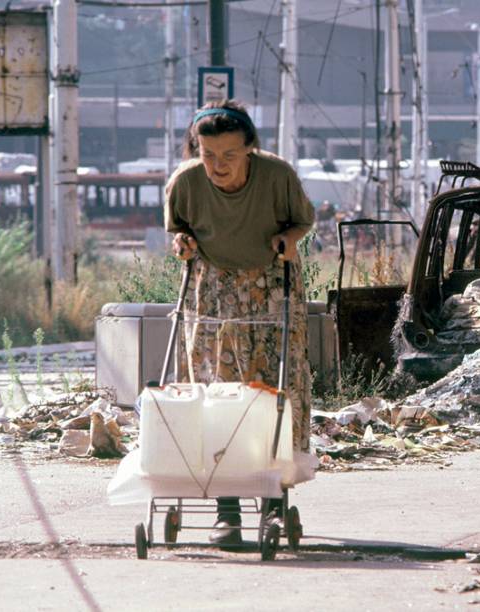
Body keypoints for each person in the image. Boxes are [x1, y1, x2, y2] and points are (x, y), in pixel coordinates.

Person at [164, 99, 314, 548]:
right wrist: (182, 244)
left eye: (229, 155)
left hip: (270, 284)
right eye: (207, 154)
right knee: (217, 393)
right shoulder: (185, 182)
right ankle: (225, 508)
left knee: (272, 391)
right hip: (212, 288)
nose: (217, 165)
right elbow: (180, 231)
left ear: (249, 148)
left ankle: (271, 499)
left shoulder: (277, 175)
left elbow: (302, 221)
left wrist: (288, 238)